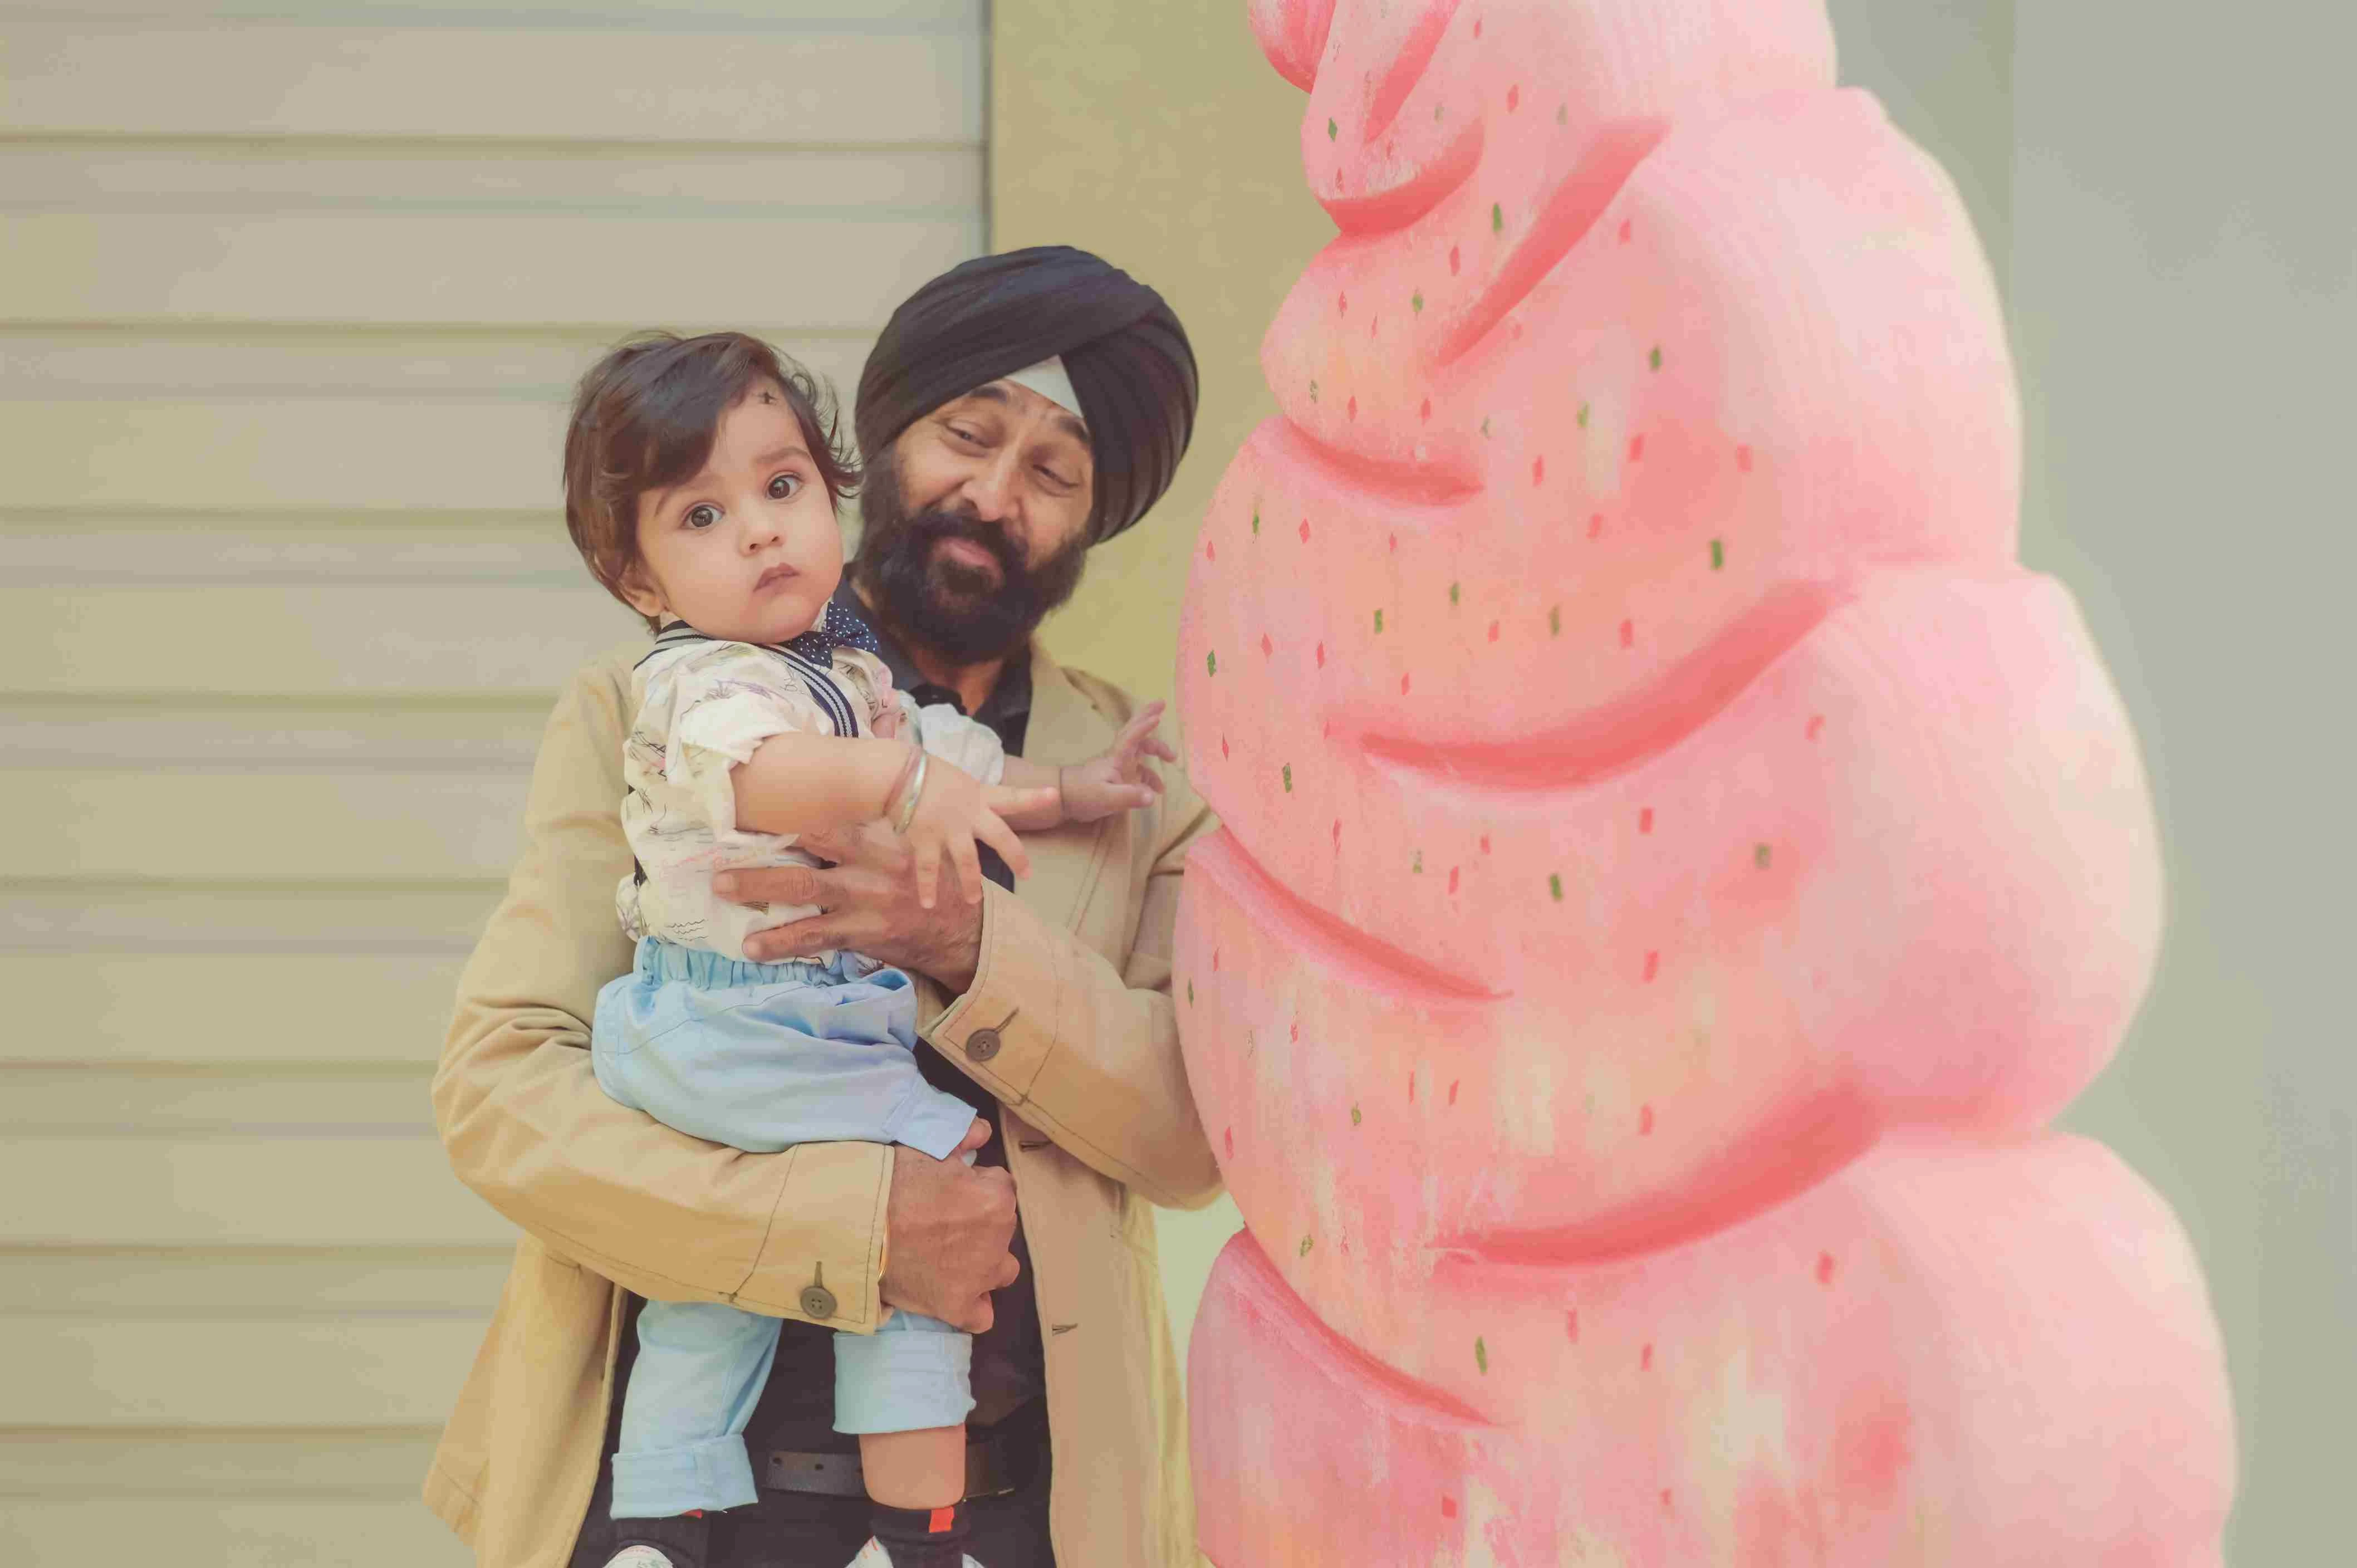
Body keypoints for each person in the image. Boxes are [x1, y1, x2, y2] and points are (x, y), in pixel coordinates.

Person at [425, 246, 1218, 1568]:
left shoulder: (1136, 791)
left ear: (1094, 520)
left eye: (1053, 473)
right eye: (968, 436)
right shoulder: (653, 714)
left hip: (1012, 1516)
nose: (992, 495)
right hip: (680, 1503)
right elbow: (502, 1090)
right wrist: (853, 1230)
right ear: (883, 441)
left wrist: (968, 943)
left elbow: (1190, 1132)